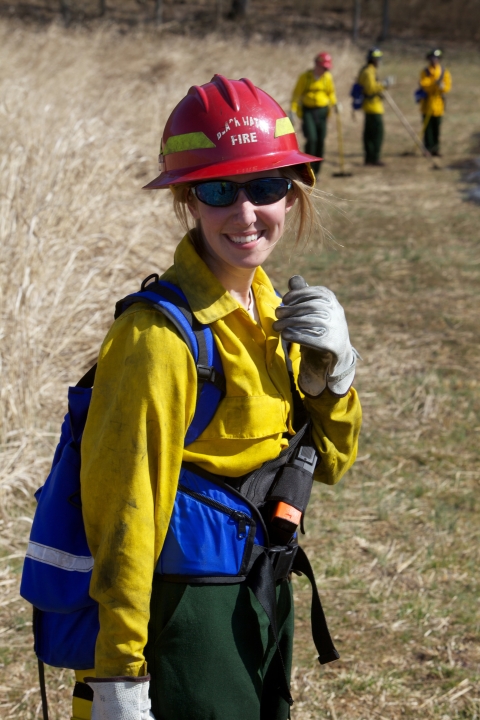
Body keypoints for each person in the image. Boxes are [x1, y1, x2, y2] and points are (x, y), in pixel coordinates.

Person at [75, 74, 362, 720]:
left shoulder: (274, 311)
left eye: (266, 187)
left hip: (263, 591)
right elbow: (123, 517)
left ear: (293, 191)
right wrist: (119, 676)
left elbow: (332, 463)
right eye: (217, 189)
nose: (245, 213)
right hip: (188, 615)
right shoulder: (156, 339)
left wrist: (335, 380)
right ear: (188, 200)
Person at [290, 52, 338, 176]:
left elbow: (331, 93)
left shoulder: (327, 77)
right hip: (308, 112)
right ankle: (308, 168)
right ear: (317, 64)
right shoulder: (305, 77)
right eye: (324, 67)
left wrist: (335, 104)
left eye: (327, 68)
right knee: (312, 139)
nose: (326, 70)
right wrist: (292, 110)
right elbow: (296, 94)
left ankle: (317, 171)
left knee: (321, 140)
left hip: (323, 111)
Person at [357, 48, 392, 166]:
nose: (379, 61)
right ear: (372, 60)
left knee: (370, 133)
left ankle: (370, 158)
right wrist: (384, 84)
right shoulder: (368, 72)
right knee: (377, 133)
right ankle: (373, 158)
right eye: (377, 59)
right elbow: (370, 89)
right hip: (372, 107)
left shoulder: (370, 70)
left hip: (372, 106)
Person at [418, 48, 451, 157]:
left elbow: (447, 86)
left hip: (438, 105)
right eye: (432, 58)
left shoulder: (443, 71)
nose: (434, 60)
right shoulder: (425, 71)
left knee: (436, 128)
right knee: (428, 129)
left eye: (436, 58)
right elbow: (424, 85)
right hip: (427, 104)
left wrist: (442, 87)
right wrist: (434, 84)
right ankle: (427, 149)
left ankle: (435, 149)